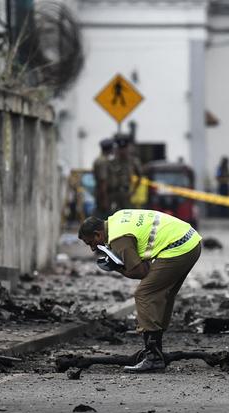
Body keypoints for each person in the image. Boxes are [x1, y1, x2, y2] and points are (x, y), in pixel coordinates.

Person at [78, 209, 202, 373]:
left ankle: (153, 357)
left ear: (98, 234)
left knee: (144, 294)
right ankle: (155, 350)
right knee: (163, 292)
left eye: (91, 243)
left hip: (178, 248)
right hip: (190, 241)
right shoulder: (117, 218)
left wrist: (117, 268)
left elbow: (140, 271)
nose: (93, 249)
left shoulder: (118, 238)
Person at [107, 135, 141, 212]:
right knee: (111, 214)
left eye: (124, 148)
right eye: (120, 148)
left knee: (128, 214)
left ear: (127, 148)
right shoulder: (112, 161)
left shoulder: (133, 161)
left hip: (126, 193)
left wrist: (133, 191)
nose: (122, 151)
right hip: (113, 193)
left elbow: (139, 177)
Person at [92, 138, 113, 219]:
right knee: (103, 218)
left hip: (101, 194)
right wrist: (105, 200)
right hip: (103, 195)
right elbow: (102, 181)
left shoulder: (99, 159)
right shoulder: (103, 161)